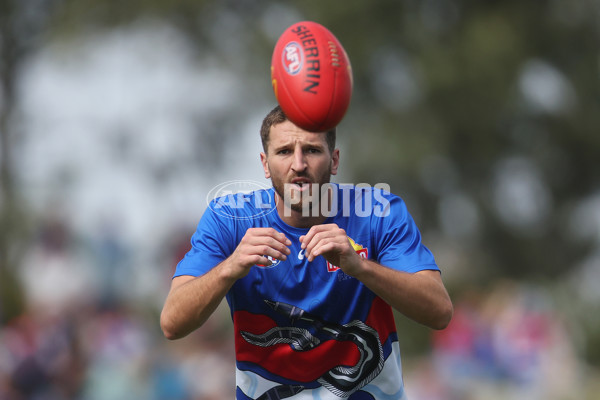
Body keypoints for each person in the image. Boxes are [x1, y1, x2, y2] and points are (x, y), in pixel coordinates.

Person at [160, 105, 453, 399]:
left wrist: (361, 267)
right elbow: (173, 323)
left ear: (334, 160)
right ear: (265, 163)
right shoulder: (228, 220)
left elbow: (439, 312)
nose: (298, 164)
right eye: (284, 151)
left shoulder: (378, 212)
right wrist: (231, 266)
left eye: (312, 150)